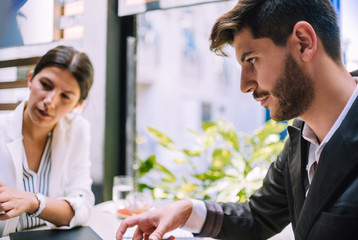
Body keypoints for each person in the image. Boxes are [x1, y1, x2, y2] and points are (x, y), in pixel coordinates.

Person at [116, 0, 358, 239]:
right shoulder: (302, 137)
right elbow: (257, 217)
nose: (244, 86)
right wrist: (187, 211)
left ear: (303, 43)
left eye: (252, 60)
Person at [0, 45, 95, 236]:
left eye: (65, 97)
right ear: (30, 79)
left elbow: (82, 206)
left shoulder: (78, 130)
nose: (50, 101)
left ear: (78, 104)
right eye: (45, 85)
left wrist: (34, 201)